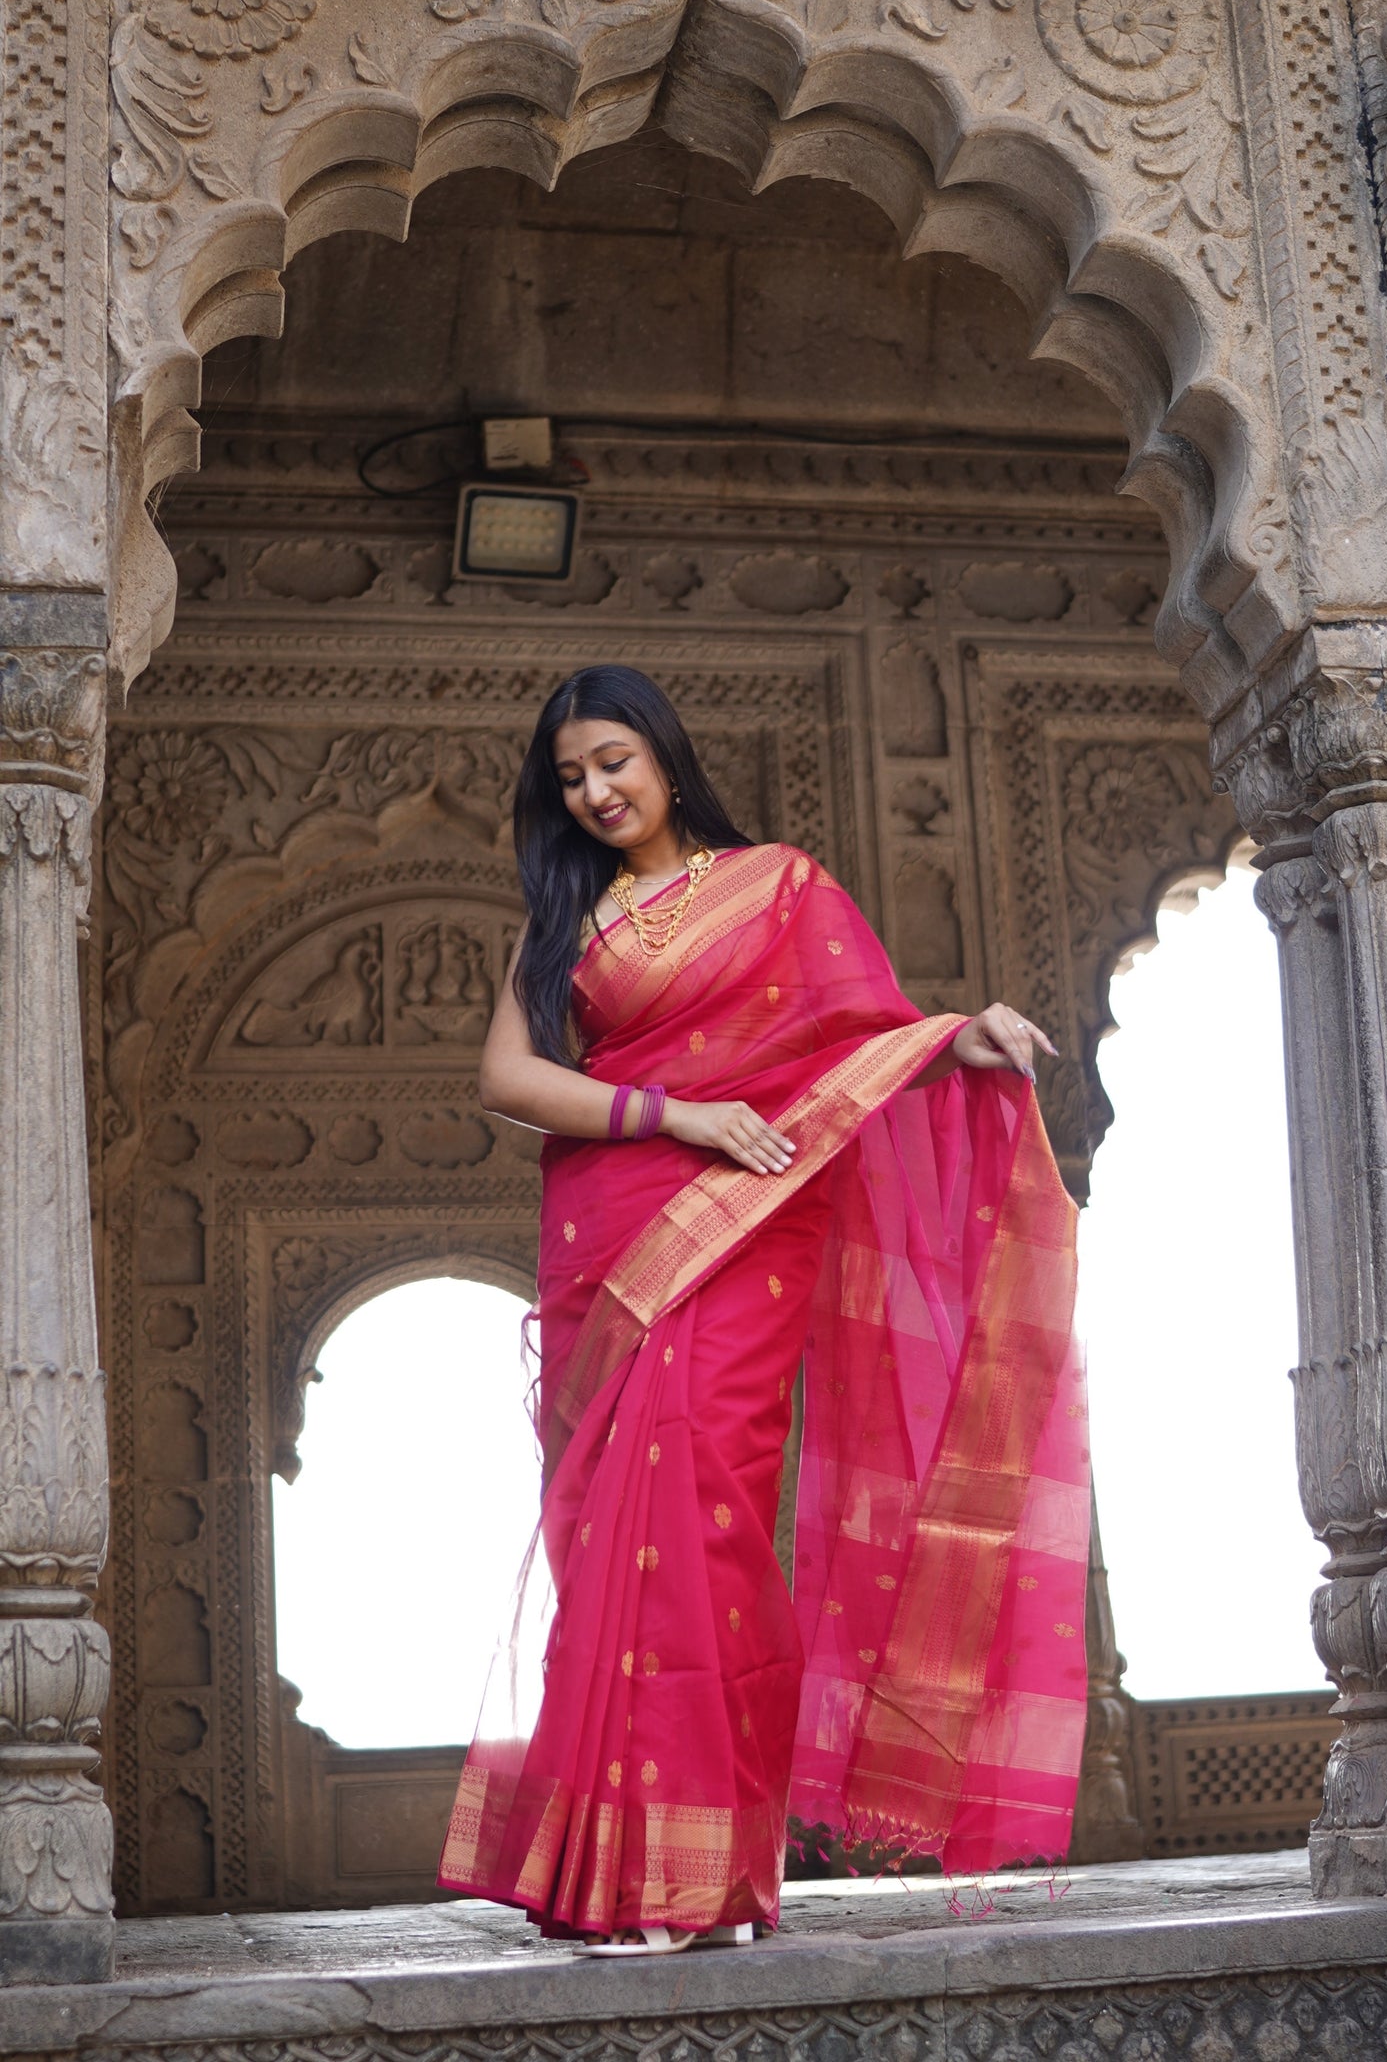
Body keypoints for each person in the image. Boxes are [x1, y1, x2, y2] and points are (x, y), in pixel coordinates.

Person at [439, 663, 1088, 1955]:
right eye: (570, 776)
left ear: (666, 758)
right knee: (606, 1541)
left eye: (613, 760)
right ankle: (619, 1879)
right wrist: (675, 1113)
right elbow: (506, 1077)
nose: (595, 791)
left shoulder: (778, 887)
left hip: (745, 1223)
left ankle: (708, 1878)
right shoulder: (563, 913)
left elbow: (857, 1037)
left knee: (707, 1519)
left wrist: (955, 1037)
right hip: (613, 1233)